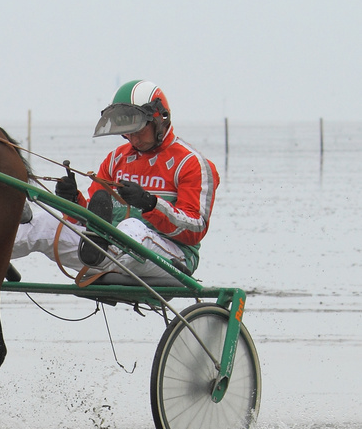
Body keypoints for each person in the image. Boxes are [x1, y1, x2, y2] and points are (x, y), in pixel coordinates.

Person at [11, 81, 219, 286]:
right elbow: (95, 221)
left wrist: (150, 204)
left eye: (138, 130)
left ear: (160, 119)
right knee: (45, 222)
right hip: (109, 249)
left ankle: (101, 255)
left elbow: (195, 229)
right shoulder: (116, 159)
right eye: (127, 132)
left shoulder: (191, 163)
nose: (132, 138)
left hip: (173, 259)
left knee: (131, 227)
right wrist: (73, 202)